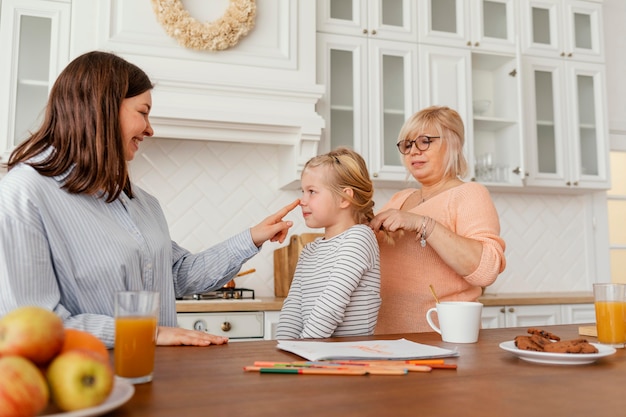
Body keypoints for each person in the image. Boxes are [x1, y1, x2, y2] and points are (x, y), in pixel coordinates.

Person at [0, 51, 299, 348]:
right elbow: (32, 324)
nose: (150, 128)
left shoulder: (140, 202)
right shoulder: (25, 194)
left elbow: (177, 275)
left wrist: (252, 238)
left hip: (156, 376)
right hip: (87, 385)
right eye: (143, 112)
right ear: (101, 108)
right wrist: (148, 332)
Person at [369, 105, 506, 334]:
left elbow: (487, 269)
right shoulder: (399, 199)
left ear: (454, 144)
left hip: (443, 340)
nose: (414, 151)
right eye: (407, 144)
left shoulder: (469, 193)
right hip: (384, 339)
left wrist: (424, 224)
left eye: (425, 141)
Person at [276, 147, 381, 339]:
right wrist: (283, 348)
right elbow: (293, 309)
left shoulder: (359, 238)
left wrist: (302, 346)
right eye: (303, 191)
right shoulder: (310, 250)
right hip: (313, 352)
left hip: (350, 357)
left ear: (344, 198)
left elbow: (330, 306)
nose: (302, 200)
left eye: (312, 192)